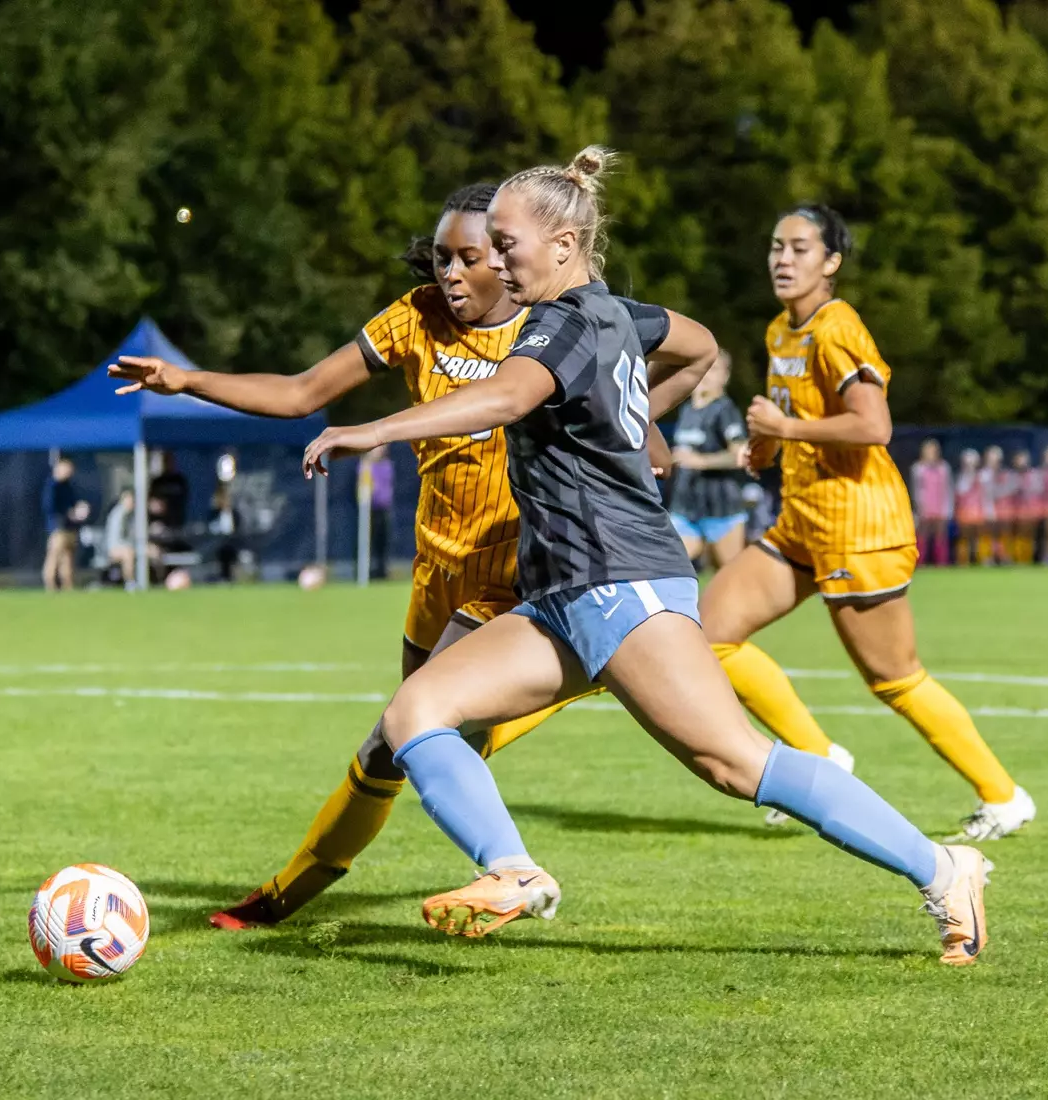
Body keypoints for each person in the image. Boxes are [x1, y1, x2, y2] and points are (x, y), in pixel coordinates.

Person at [302, 151, 993, 964]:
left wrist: (374, 430)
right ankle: (513, 871)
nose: (496, 262)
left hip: (622, 583)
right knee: (414, 713)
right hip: (562, 595)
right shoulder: (615, 314)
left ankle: (945, 869)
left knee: (736, 764)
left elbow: (508, 396)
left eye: (506, 244)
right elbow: (697, 345)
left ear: (564, 244)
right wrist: (640, 423)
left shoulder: (560, 323)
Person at [110, 183, 831, 928]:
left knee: (402, 730)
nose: (450, 273)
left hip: (516, 575)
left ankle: (307, 895)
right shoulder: (416, 317)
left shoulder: (553, 323)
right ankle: (555, 750)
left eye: (470, 257)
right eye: (441, 257)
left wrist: (637, 423)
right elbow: (302, 393)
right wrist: (187, 381)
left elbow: (667, 370)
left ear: (509, 257)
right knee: (403, 743)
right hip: (436, 573)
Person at [702, 203, 1035, 841]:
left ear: (831, 263)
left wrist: (784, 427)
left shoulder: (837, 328)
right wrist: (767, 445)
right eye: (776, 246)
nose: (783, 258)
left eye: (800, 248)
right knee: (707, 634)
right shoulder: (780, 331)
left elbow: (874, 425)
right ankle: (818, 760)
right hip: (803, 520)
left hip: (860, 526)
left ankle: (1003, 796)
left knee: (894, 679)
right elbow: (790, 414)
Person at [667, 349, 752, 569]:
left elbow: (741, 455)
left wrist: (701, 461)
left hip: (721, 510)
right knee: (668, 568)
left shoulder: (725, 410)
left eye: (714, 370)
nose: (706, 374)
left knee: (729, 576)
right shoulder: (687, 410)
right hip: (685, 509)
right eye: (703, 367)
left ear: (725, 376)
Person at [41, 458, 86, 591]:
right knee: (54, 555)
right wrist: (68, 513)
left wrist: (79, 509)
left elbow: (73, 503)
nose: (69, 472)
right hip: (58, 528)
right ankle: (50, 584)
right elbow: (50, 507)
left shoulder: (68, 486)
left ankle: (68, 585)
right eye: (66, 469)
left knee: (68, 557)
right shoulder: (52, 486)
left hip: (70, 527)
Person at [910, 439, 952, 566]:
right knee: (923, 534)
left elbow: (947, 489)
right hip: (924, 506)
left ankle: (941, 562)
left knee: (940, 535)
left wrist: (947, 509)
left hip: (940, 505)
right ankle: (920, 561)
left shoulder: (944, 467)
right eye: (928, 450)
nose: (931, 453)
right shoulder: (918, 468)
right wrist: (919, 507)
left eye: (933, 450)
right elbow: (916, 489)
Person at [360, 445, 396, 580]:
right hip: (368, 510)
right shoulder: (365, 466)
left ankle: (381, 571)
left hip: (383, 509)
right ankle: (366, 570)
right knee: (368, 541)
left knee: (382, 541)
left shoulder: (387, 466)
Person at [954, 448, 985, 565]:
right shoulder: (961, 477)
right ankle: (963, 560)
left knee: (978, 537)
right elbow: (961, 491)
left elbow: (985, 494)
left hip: (978, 511)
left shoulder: (981, 476)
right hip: (965, 511)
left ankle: (978, 558)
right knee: (964, 537)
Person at [1009, 449, 1040, 565]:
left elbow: (1038, 489)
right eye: (1020, 460)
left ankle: (1029, 558)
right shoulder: (1011, 475)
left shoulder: (1034, 474)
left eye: (1024, 460)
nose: (1022, 462)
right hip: (1015, 511)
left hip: (1031, 510)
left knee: (1030, 536)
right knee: (1017, 535)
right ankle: (1018, 558)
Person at [104, 488, 137, 587]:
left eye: (132, 500)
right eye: (128, 499)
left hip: (131, 545)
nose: (131, 502)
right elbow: (118, 539)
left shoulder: (134, 514)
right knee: (128, 553)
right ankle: (130, 583)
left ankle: (159, 582)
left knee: (154, 551)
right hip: (114, 548)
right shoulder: (118, 515)